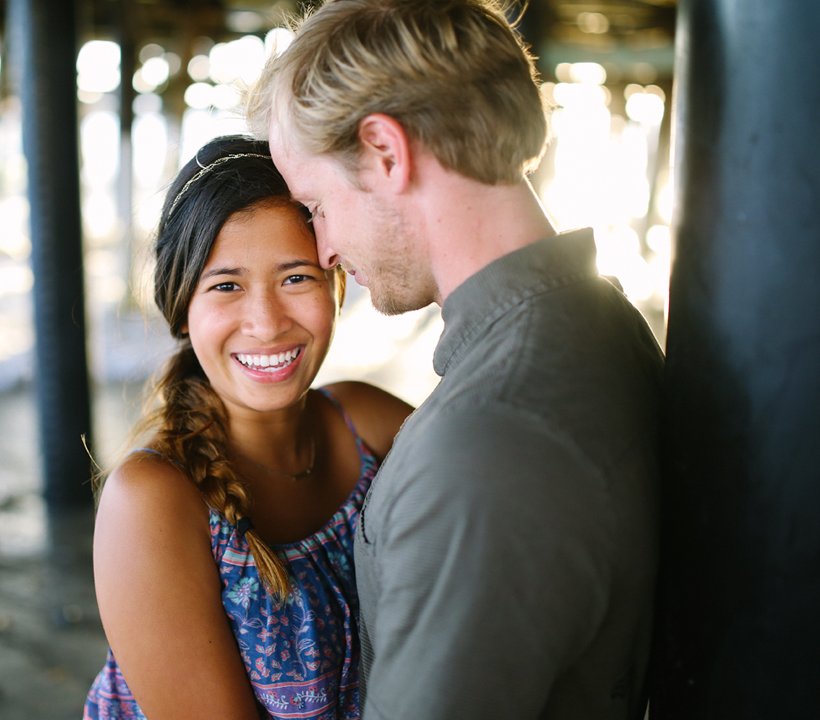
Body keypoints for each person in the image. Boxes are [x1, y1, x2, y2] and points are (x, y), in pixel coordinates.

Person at [248, 1, 664, 719]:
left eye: (315, 206)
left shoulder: (488, 444)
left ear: (385, 152)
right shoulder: (605, 322)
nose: (323, 253)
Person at [83, 136, 412, 720]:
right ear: (182, 306)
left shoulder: (370, 424)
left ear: (337, 283)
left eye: (296, 278)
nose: (266, 323)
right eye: (227, 285)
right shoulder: (154, 501)